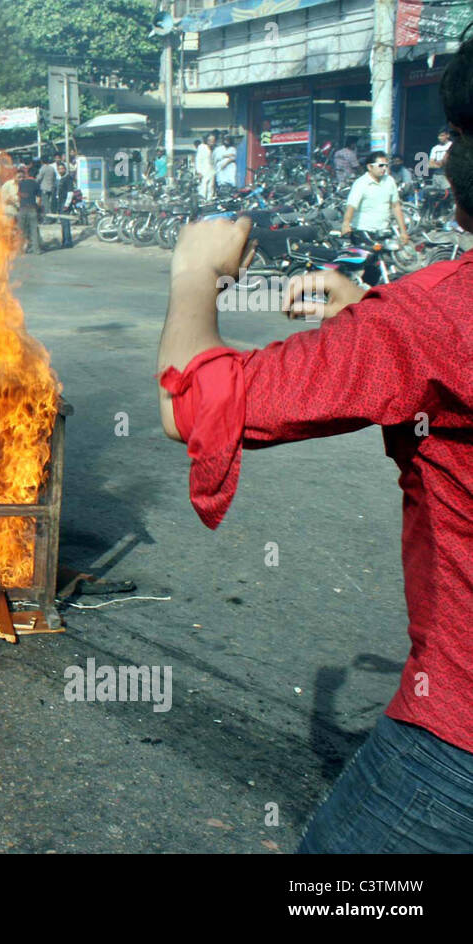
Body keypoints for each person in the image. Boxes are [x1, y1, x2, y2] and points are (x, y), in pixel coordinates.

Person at [155, 34, 473, 853]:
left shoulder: (438, 316)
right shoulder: (425, 318)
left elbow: (196, 406)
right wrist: (378, 313)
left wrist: (196, 274)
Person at [341, 151, 410, 245]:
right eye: (381, 165)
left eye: (386, 165)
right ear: (370, 167)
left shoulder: (389, 181)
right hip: (364, 231)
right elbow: (351, 206)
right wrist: (346, 224)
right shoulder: (361, 183)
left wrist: (403, 231)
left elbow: (396, 207)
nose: (384, 168)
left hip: (383, 231)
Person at [16, 164, 40, 253]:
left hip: (22, 209)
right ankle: (36, 250)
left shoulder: (21, 183)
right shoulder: (36, 184)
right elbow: (38, 199)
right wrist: (38, 208)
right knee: (34, 230)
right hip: (32, 209)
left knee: (21, 230)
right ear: (36, 175)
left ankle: (20, 250)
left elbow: (19, 196)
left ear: (27, 174)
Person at [52, 160, 75, 249]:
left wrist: (66, 204)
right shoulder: (59, 178)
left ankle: (68, 242)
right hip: (59, 202)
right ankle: (64, 240)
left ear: (65, 169)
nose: (60, 170)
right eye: (59, 169)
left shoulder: (68, 178)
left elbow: (70, 192)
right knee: (63, 223)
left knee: (65, 223)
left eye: (62, 168)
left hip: (65, 202)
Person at [195, 132, 217, 201]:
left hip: (212, 171)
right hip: (203, 171)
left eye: (213, 141)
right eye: (210, 140)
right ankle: (202, 201)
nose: (211, 142)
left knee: (211, 187)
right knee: (203, 187)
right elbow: (198, 160)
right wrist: (199, 172)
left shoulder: (215, 148)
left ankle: (209, 201)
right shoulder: (202, 147)